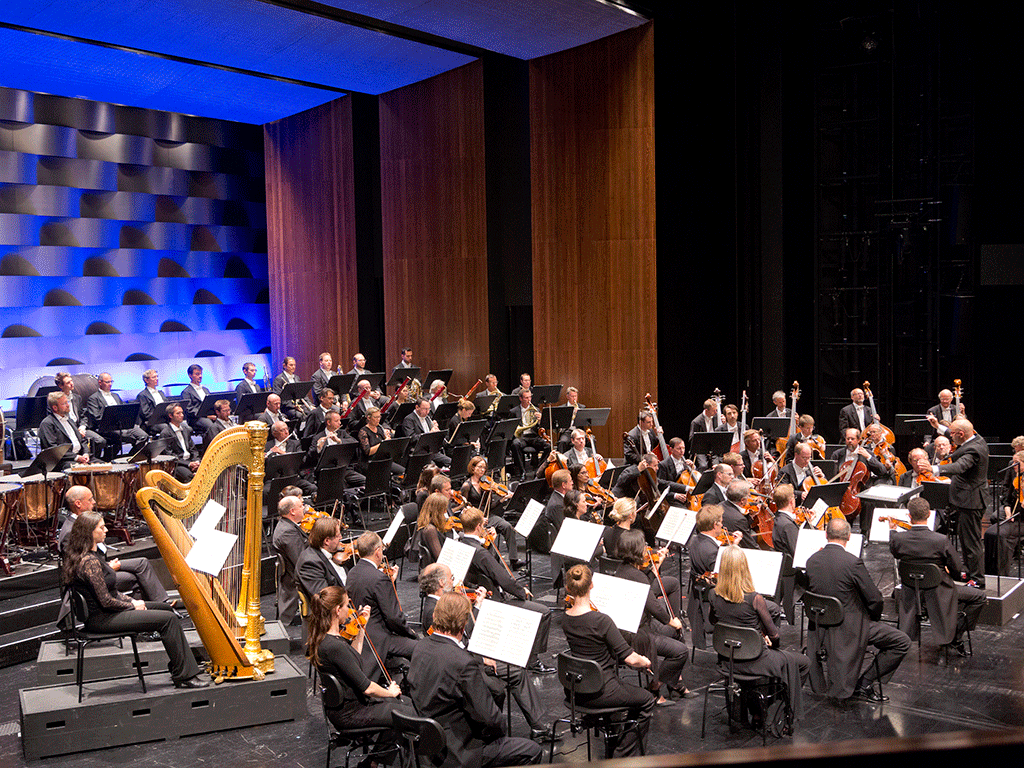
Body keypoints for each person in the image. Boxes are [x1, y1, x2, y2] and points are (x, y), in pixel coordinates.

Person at [62, 511, 206, 688]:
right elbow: (106, 601)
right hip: (103, 619)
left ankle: (179, 665)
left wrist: (133, 602)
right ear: (89, 532)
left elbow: (112, 592)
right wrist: (132, 606)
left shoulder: (92, 556)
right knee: (168, 620)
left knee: (166, 609)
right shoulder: (89, 562)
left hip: (108, 613)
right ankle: (185, 676)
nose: (106, 530)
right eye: (102, 527)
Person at [408, 592, 543, 768]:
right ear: (464, 624)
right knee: (532, 750)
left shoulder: (420, 646)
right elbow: (491, 719)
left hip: (428, 748)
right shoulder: (462, 662)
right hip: (460, 752)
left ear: (435, 616)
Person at [417, 564, 550, 742]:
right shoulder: (432, 611)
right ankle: (492, 731)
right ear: (441, 582)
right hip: (464, 666)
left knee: (516, 671)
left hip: (470, 656)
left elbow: (462, 633)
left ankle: (537, 726)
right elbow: (453, 646)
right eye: (451, 577)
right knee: (502, 685)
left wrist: (477, 606)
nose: (454, 581)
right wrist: (482, 658)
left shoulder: (442, 602)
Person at [805, 519, 910, 702]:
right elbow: (875, 599)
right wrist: (873, 617)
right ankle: (864, 683)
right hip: (851, 628)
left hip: (820, 626)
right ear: (848, 536)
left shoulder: (812, 560)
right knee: (902, 642)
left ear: (826, 534)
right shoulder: (852, 563)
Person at [306, 585, 411, 763]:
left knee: (405, 704)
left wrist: (361, 627)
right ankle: (376, 762)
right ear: (337, 610)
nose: (350, 610)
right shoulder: (334, 646)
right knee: (404, 713)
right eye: (347, 605)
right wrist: (390, 692)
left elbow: (353, 658)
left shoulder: (327, 639)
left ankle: (373, 761)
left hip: (347, 708)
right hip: (351, 713)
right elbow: (367, 688)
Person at [562, 564, 655, 757]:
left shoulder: (565, 618)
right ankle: (623, 754)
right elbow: (630, 659)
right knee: (646, 700)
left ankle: (613, 735)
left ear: (568, 588)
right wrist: (645, 661)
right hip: (602, 690)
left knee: (628, 696)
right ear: (591, 585)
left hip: (576, 689)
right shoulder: (602, 621)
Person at [709, 546, 810, 719]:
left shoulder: (712, 594)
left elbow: (713, 622)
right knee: (804, 663)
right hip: (756, 660)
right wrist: (769, 642)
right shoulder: (755, 599)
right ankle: (776, 707)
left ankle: (757, 708)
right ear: (744, 568)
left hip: (728, 660)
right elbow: (775, 636)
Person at [459, 507, 553, 674]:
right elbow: (502, 577)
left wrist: (491, 545)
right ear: (479, 526)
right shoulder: (481, 552)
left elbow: (488, 568)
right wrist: (521, 591)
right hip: (493, 600)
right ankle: (532, 661)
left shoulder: (461, 542)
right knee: (543, 612)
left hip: (474, 594)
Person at [888, 497, 986, 654]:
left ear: (909, 515)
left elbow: (895, 552)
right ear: (928, 514)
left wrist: (892, 530)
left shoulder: (898, 538)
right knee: (979, 597)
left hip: (912, 591)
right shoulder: (940, 540)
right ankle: (955, 636)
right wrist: (953, 575)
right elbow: (957, 568)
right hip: (939, 592)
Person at [615, 530, 691, 703]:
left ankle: (675, 681)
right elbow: (653, 607)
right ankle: (655, 687)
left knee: (677, 635)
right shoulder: (636, 575)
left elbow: (645, 588)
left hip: (632, 627)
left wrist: (655, 567)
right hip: (639, 635)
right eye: (644, 546)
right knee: (681, 651)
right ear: (637, 550)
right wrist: (672, 621)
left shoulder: (623, 569)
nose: (647, 549)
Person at [58, 486, 170, 602]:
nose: (94, 502)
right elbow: (79, 567)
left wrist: (107, 566)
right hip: (95, 575)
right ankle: (149, 607)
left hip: (103, 565)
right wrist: (109, 568)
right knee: (133, 578)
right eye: (90, 499)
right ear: (78, 503)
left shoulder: (85, 521)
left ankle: (161, 602)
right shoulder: (70, 532)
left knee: (142, 563)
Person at [346, 531, 419, 665]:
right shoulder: (379, 578)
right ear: (378, 551)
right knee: (420, 648)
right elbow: (393, 617)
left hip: (359, 633)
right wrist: (411, 633)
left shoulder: (352, 572)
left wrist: (390, 582)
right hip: (379, 639)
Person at [933, 419, 990, 587]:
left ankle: (978, 580)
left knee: (971, 543)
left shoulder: (974, 450)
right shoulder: (976, 438)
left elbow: (959, 467)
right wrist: (938, 427)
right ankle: (970, 573)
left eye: (952, 434)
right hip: (966, 500)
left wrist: (935, 469)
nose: (950, 436)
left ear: (961, 434)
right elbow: (957, 433)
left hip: (971, 501)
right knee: (965, 541)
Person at [687, 505, 737, 650]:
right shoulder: (711, 552)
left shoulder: (695, 541)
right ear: (715, 525)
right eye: (721, 522)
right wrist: (734, 548)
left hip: (698, 594)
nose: (722, 525)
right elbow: (724, 576)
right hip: (713, 599)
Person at [84, 371, 147, 460]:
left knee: (144, 436)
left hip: (123, 425)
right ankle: (109, 458)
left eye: (111, 382)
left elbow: (123, 411)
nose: (110, 384)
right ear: (100, 383)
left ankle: (131, 457)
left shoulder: (116, 396)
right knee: (126, 436)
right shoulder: (93, 398)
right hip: (108, 427)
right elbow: (97, 417)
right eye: (107, 382)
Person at [985, 450, 1024, 575]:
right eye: (1013, 462)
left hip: (1022, 519)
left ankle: (1001, 572)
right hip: (1014, 516)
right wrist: (1008, 513)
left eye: (1017, 462)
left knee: (1001, 535)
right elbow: (1007, 500)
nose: (1013, 465)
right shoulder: (1017, 479)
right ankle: (990, 571)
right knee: (989, 533)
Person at [271, 495, 307, 626]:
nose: (304, 508)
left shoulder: (286, 525)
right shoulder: (287, 532)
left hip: (292, 571)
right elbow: (301, 559)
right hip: (295, 576)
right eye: (301, 506)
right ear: (292, 511)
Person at [297, 517, 350, 600]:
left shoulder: (331, 551)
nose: (341, 538)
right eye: (338, 536)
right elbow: (325, 598)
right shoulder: (310, 563)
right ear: (327, 541)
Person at [40, 392, 91, 469]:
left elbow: (82, 440)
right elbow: (53, 449)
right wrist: (76, 457)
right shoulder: (47, 424)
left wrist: (86, 453)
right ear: (55, 408)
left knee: (105, 467)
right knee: (85, 470)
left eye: (67, 402)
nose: (68, 405)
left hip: (80, 456)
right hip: (64, 461)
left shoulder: (69, 420)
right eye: (64, 403)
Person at [158, 404, 200, 482]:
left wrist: (196, 461)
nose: (182, 415)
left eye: (182, 413)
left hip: (190, 461)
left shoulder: (186, 429)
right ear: (170, 416)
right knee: (189, 477)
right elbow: (170, 456)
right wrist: (189, 464)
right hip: (178, 464)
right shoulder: (165, 433)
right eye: (178, 413)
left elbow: (193, 449)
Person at [509, 389, 546, 478]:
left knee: (548, 446)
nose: (529, 400)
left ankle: (539, 469)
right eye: (526, 398)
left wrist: (540, 420)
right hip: (522, 437)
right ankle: (522, 471)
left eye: (530, 397)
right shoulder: (514, 411)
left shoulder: (536, 410)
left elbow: (541, 427)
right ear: (521, 398)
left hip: (533, 436)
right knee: (515, 444)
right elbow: (511, 427)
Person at [414, 491, 453, 566]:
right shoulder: (430, 530)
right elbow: (439, 558)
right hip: (436, 568)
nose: (445, 511)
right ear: (437, 511)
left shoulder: (433, 523)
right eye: (443, 509)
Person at [136, 369, 166, 433]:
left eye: (157, 376)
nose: (157, 379)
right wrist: (160, 416)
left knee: (183, 425)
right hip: (152, 422)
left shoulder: (161, 393)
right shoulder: (142, 395)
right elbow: (146, 414)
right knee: (167, 428)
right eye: (153, 377)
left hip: (165, 419)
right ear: (146, 380)